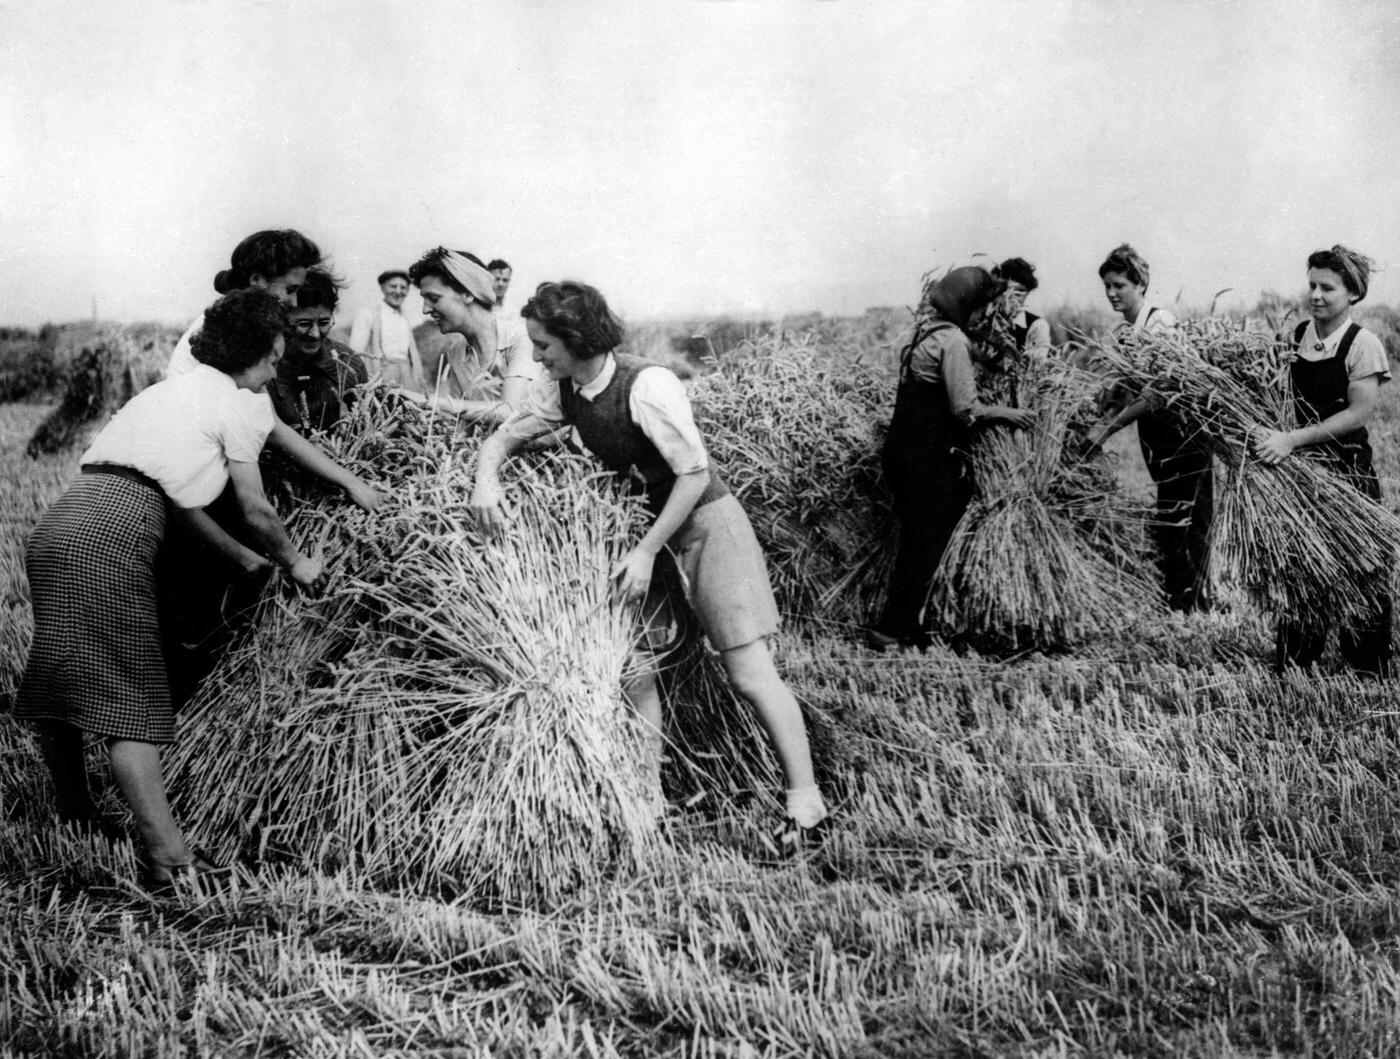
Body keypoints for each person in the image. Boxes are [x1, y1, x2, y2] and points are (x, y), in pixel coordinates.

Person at [13, 289, 373, 887]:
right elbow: (256, 509)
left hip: (62, 523)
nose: (278, 366)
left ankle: (73, 808)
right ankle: (169, 859)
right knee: (132, 700)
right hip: (115, 535)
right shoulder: (237, 402)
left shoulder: (172, 391)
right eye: (275, 353)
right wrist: (295, 561)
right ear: (263, 351)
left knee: (64, 673)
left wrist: (346, 487)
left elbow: (196, 484)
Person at [469, 280, 829, 837]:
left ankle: (806, 804)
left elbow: (694, 474)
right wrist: (485, 482)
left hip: (705, 525)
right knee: (638, 668)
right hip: (646, 534)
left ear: (575, 338)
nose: (535, 356)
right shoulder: (562, 389)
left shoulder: (649, 384)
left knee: (748, 672)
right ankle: (651, 801)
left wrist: (644, 552)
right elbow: (503, 438)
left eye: (544, 346)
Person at [869, 266, 1034, 651]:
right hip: (926, 458)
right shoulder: (954, 341)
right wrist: (1009, 414)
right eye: (981, 308)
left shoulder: (924, 334)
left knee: (914, 539)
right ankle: (897, 627)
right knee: (928, 541)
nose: (983, 316)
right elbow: (966, 409)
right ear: (969, 306)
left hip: (901, 453)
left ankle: (901, 624)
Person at [1254, 245, 1392, 675]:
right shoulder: (1296, 337)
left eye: (1327, 288)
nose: (1315, 294)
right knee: (1300, 564)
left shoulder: (1362, 344)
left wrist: (1291, 440)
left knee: (1360, 565)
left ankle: (1368, 666)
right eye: (1311, 284)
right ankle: (1295, 663)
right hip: (1299, 473)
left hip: (1346, 471)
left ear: (1352, 293)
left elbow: (1357, 413)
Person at [1083, 244, 1213, 613]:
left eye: (1119, 285)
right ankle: (1180, 599)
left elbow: (1159, 393)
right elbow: (1125, 387)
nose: (1111, 293)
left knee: (1186, 519)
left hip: (1184, 432)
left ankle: (1195, 603)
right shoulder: (1128, 331)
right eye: (1107, 286)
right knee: (1171, 516)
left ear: (1140, 284)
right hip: (1158, 436)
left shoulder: (1160, 324)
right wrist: (1099, 411)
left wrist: (1107, 428)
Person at [405, 248, 541, 424]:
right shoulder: (456, 351)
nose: (426, 309)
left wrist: (423, 401)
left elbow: (510, 412)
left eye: (434, 298)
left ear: (468, 293)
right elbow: (452, 415)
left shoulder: (519, 338)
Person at [166, 229, 322, 378]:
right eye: (289, 290)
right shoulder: (233, 326)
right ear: (256, 280)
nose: (294, 303)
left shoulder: (241, 319)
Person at [270, 267, 370, 434]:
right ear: (283, 321)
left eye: (324, 323)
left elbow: (367, 425)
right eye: (304, 324)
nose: (315, 334)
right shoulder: (264, 364)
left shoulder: (348, 363)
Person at [348, 268, 423, 390]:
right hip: (380, 373)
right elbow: (356, 351)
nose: (398, 291)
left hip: (406, 376)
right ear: (383, 288)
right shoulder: (368, 314)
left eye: (403, 287)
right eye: (393, 286)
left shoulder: (404, 318)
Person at [999, 257, 1052, 355]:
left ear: (1028, 292)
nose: (1012, 297)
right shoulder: (985, 320)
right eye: (1007, 290)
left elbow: (1035, 365)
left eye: (1019, 292)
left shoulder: (1037, 326)